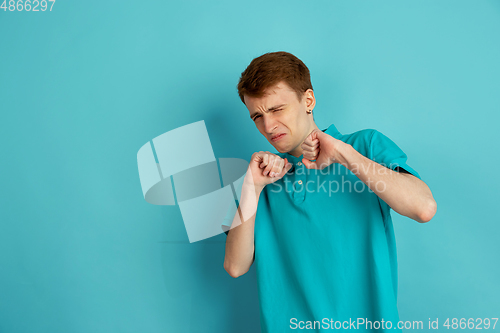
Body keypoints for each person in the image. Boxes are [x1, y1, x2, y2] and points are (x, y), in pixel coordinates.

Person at [223, 51, 437, 332]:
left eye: (277, 109)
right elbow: (235, 266)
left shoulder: (365, 145)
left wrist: (344, 154)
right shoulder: (259, 178)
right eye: (257, 117)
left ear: (308, 100)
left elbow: (424, 208)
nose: (268, 126)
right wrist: (252, 186)